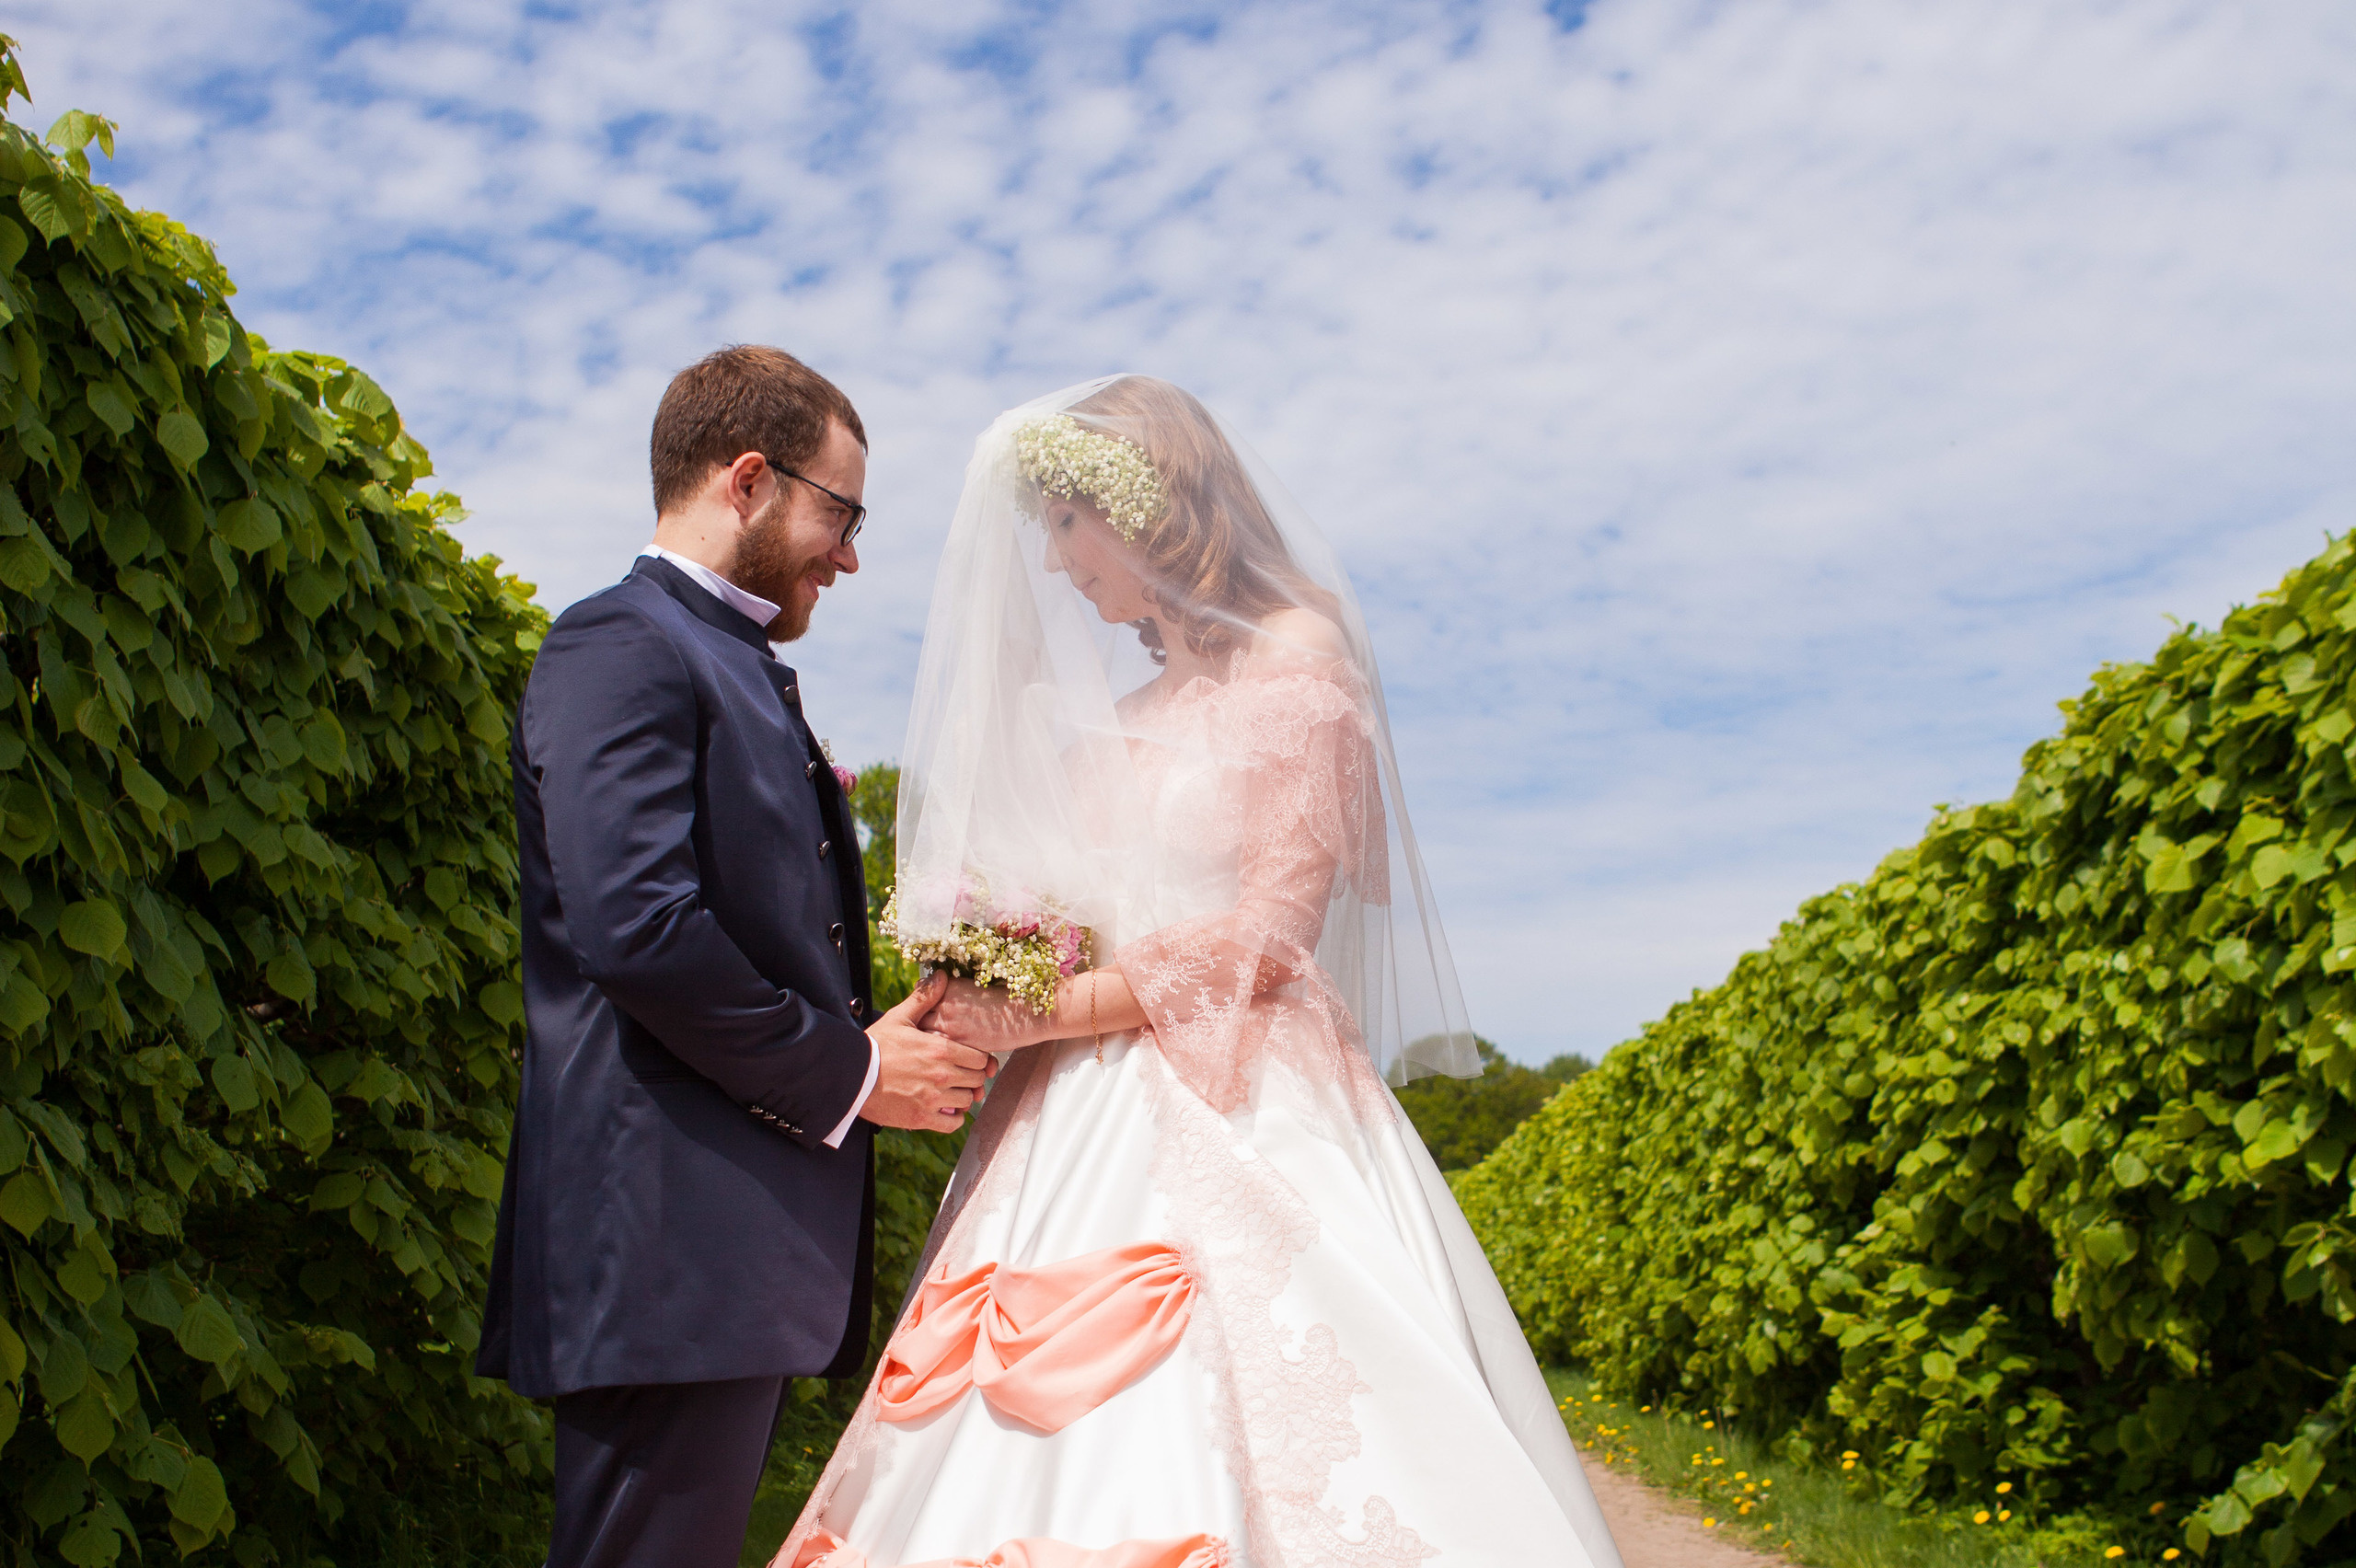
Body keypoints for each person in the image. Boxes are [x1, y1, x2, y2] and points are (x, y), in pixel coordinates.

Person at [781, 376, 1624, 1568]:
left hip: (1246, 1091)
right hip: (1071, 1114)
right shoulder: (1125, 711)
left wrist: (1049, 1010)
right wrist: (961, 994)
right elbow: (1071, 921)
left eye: (1072, 523)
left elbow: (1275, 929)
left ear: (1156, 508)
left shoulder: (1300, 652)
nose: (1061, 563)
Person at [476, 346, 990, 1568]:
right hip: (665, 1249)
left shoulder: (724, 656)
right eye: (842, 513)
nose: (851, 556)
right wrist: (857, 1080)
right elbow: (638, 930)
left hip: (715, 1257)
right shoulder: (621, 644)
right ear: (750, 479)